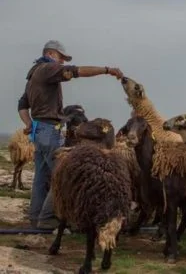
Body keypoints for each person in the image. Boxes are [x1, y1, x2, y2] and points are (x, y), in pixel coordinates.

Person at [18, 40, 123, 229]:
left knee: (41, 175)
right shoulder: (48, 69)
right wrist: (106, 70)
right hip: (50, 130)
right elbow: (77, 71)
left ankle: (35, 217)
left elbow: (22, 104)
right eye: (61, 58)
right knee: (62, 174)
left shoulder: (33, 73)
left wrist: (28, 124)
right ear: (50, 54)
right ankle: (47, 217)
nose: (62, 63)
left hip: (38, 130)